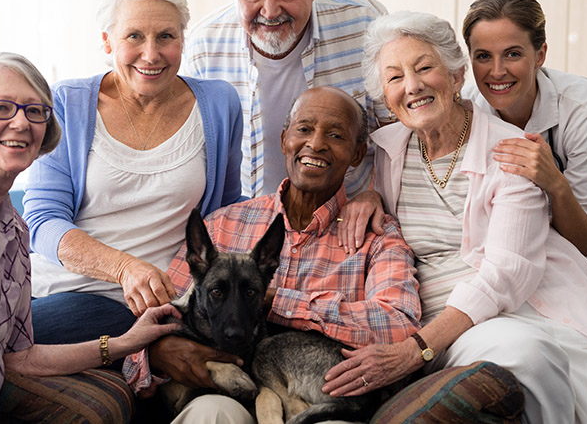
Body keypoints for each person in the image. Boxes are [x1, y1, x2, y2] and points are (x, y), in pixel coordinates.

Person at [321, 12, 587, 424]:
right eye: (394, 77)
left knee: (529, 353)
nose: (411, 86)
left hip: (512, 311)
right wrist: (369, 195)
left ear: (455, 74)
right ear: (385, 96)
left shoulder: (511, 150)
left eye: (424, 67)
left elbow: (506, 275)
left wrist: (416, 348)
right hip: (432, 321)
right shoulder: (388, 151)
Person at [0, 52, 181, 423]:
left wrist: (126, 343)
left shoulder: (14, 229)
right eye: (1, 108)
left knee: (108, 401)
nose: (21, 122)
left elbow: (21, 358)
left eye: (35, 112)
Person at [124, 86, 422, 424]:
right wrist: (157, 353)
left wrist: (279, 302)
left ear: (357, 154)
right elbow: (156, 317)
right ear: (284, 139)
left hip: (325, 394)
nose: (316, 143)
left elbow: (400, 327)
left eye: (336, 135)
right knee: (211, 413)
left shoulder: (377, 235)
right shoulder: (222, 224)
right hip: (223, 394)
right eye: (304, 129)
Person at [22, 0, 245, 347]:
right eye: (134, 36)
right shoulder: (65, 103)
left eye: (166, 36)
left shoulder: (219, 105)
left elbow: (226, 215)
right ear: (108, 41)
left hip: (164, 305)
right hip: (65, 294)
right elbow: (42, 222)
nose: (151, 54)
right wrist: (125, 269)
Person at [182, 0, 390, 249]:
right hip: (246, 235)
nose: (269, 9)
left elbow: (395, 131)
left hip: (347, 227)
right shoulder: (205, 45)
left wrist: (373, 193)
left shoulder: (365, 21)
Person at [462, 0, 587, 258]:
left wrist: (555, 184)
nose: (497, 72)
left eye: (512, 54)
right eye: (483, 56)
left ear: (540, 55)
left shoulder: (582, 111)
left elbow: (584, 245)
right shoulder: (464, 111)